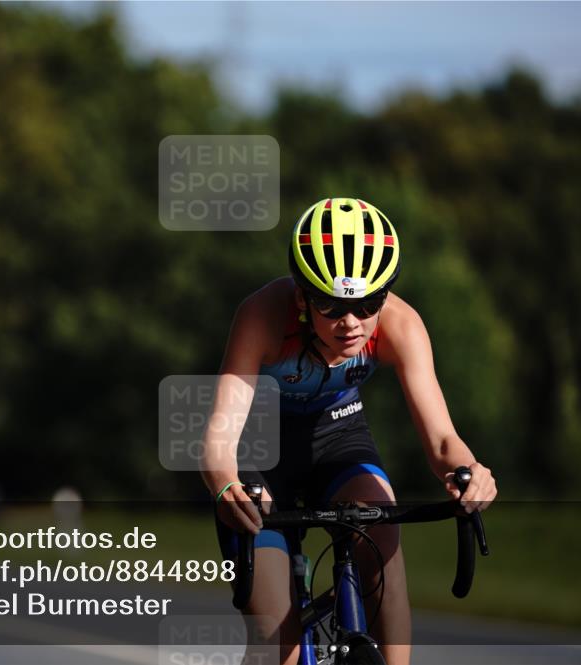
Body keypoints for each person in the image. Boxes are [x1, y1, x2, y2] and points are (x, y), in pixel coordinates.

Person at [202, 197, 498, 665]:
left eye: (367, 304)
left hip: (338, 435)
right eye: (332, 304)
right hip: (261, 453)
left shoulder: (401, 324)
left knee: (382, 535)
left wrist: (470, 471)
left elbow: (443, 441)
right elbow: (218, 440)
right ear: (302, 297)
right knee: (279, 642)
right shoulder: (262, 317)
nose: (351, 322)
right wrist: (228, 489)